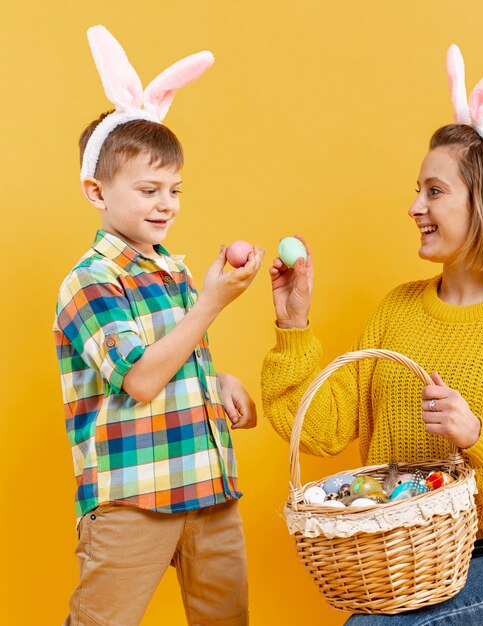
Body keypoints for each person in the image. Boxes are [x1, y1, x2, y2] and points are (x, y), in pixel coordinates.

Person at [261, 44, 483, 625]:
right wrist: (293, 324)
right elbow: (321, 430)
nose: (415, 206)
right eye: (418, 189)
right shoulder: (397, 310)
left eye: (435, 191)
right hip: (411, 559)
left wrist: (477, 436)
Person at [54, 26, 263, 625]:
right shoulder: (89, 281)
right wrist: (212, 303)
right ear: (97, 190)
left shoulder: (169, 267)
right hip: (133, 499)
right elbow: (141, 379)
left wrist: (214, 380)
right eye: (148, 189)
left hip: (208, 489)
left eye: (174, 188)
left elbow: (175, 355)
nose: (166, 203)